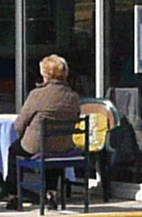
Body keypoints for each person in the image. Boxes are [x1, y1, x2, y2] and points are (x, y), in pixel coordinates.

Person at [12, 53, 87, 197]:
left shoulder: (37, 94)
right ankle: (50, 192)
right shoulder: (73, 96)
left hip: (38, 145)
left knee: (13, 150)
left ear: (44, 74)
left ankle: (13, 194)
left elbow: (20, 123)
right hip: (63, 146)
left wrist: (23, 133)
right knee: (55, 148)